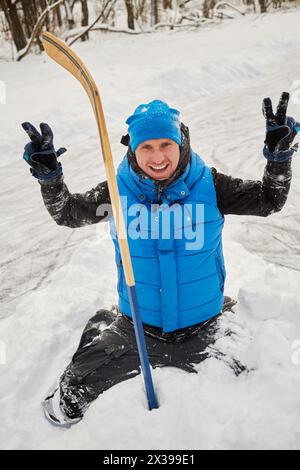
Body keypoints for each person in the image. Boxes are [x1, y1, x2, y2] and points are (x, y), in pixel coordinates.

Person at [22, 94, 299, 424]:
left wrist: (278, 161)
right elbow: (69, 213)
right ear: (133, 149)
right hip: (137, 326)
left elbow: (268, 200)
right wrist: (51, 179)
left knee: (260, 390)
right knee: (64, 407)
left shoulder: (211, 185)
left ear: (181, 142)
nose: (157, 157)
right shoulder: (115, 190)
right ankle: (104, 325)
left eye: (165, 144)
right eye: (146, 147)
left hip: (205, 324)